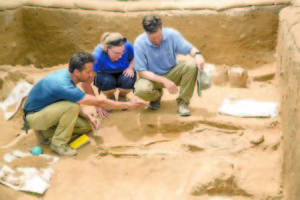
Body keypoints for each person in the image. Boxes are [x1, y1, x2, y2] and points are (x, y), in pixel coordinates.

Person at [23, 52, 143, 157]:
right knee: (71, 107)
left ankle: (44, 132)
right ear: (77, 71)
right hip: (34, 116)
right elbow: (100, 102)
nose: (91, 75)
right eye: (88, 72)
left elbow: (70, 100)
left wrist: (90, 117)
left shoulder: (67, 76)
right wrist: (128, 105)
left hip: (46, 111)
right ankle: (58, 144)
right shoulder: (64, 85)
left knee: (85, 126)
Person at [134, 15, 205, 116]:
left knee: (192, 65)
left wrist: (198, 55)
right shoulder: (139, 43)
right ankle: (155, 97)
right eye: (153, 38)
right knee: (141, 90)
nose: (157, 40)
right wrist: (164, 81)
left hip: (172, 73)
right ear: (147, 33)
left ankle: (183, 102)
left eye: (159, 37)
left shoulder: (172, 34)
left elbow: (189, 49)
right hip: (152, 78)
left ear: (161, 28)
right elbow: (141, 72)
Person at [81, 32, 136, 118]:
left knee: (128, 79)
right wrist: (97, 104)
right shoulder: (97, 56)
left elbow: (134, 57)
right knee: (106, 82)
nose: (121, 56)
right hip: (105, 74)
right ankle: (110, 98)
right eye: (117, 53)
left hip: (123, 71)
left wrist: (130, 68)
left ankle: (123, 96)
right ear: (107, 48)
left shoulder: (127, 46)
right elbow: (85, 84)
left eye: (123, 52)